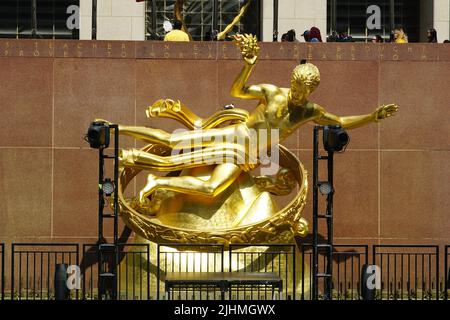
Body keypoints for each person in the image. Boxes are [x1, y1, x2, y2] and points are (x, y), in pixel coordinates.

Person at [107, 34, 398, 203]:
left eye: (304, 91)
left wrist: (372, 117)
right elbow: (238, 90)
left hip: (248, 154)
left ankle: (157, 182)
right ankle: (115, 128)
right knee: (174, 141)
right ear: (292, 82)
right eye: (297, 88)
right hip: (234, 135)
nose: (298, 95)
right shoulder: (272, 93)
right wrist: (248, 66)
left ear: (311, 91)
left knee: (211, 188)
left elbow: (340, 122)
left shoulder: (310, 111)